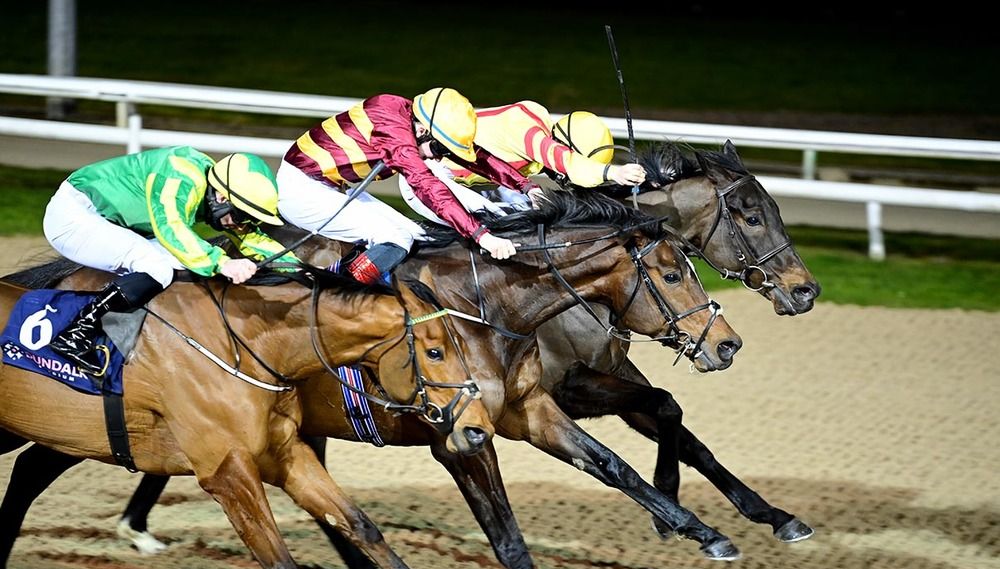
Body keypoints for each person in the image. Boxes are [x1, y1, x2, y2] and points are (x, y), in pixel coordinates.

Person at [42, 147, 295, 375]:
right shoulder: (180, 176)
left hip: (111, 220)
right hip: (73, 216)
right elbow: (171, 229)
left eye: (251, 220)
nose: (241, 225)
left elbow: (251, 238)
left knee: (183, 265)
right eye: (241, 216)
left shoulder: (215, 185)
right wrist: (222, 263)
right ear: (222, 198)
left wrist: (296, 267)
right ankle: (76, 334)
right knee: (158, 268)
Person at [277, 87, 541, 284]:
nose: (439, 158)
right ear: (424, 131)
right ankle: (332, 292)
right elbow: (427, 185)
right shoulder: (394, 132)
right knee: (397, 239)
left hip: (331, 187)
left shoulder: (412, 118)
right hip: (303, 190)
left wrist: (527, 187)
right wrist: (481, 235)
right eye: (439, 149)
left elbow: (475, 156)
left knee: (419, 238)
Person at [399, 103, 647, 221]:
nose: (564, 180)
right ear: (564, 146)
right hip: (425, 176)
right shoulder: (531, 137)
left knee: (532, 211)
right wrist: (613, 172)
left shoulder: (534, 122)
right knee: (505, 224)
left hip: (450, 176)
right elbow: (566, 161)